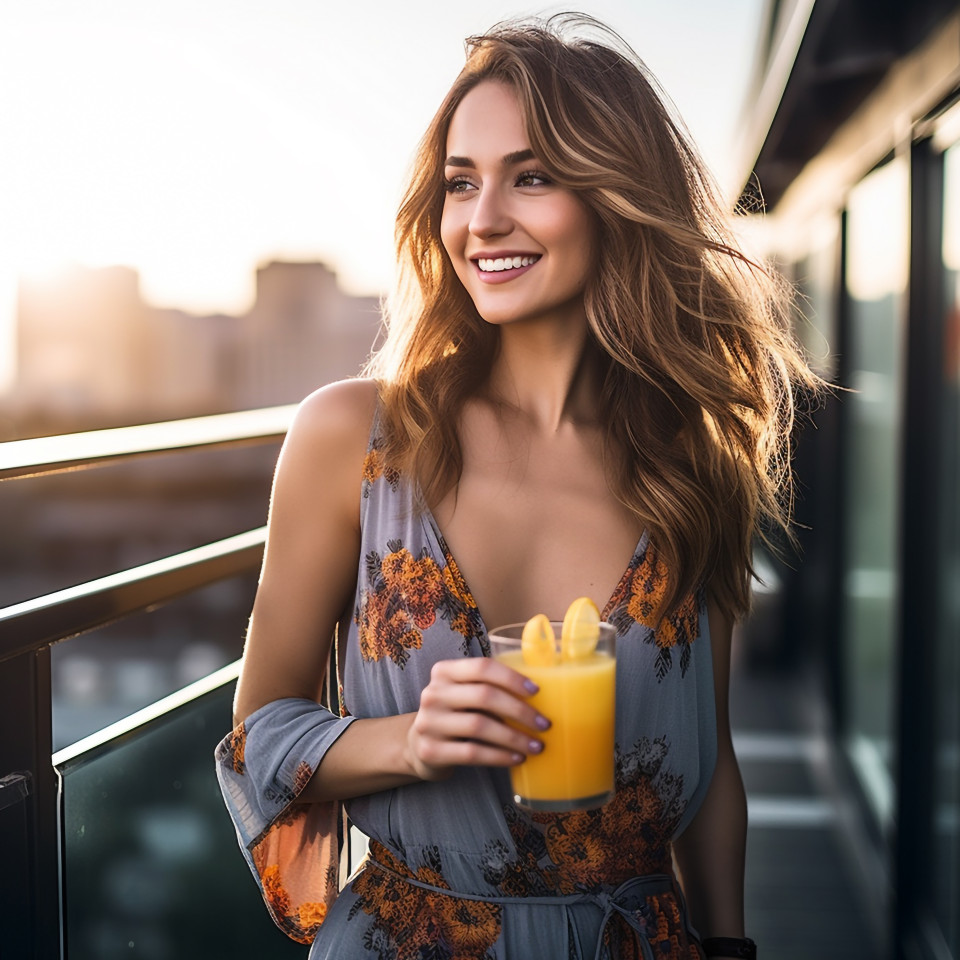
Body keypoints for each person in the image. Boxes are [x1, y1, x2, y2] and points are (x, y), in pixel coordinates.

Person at [216, 14, 817, 959]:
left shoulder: (696, 463)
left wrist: (730, 947)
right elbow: (257, 741)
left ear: (617, 197)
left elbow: (717, 761)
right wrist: (410, 740)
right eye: (461, 183)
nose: (481, 219)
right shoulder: (353, 440)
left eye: (531, 177)